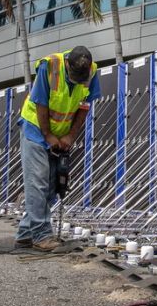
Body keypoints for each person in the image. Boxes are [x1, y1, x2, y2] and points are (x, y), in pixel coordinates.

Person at [15, 46, 100, 251]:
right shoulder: (50, 66)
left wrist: (70, 135)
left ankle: (26, 233)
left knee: (53, 186)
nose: (76, 80)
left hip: (60, 133)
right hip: (36, 128)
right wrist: (48, 135)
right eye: (73, 76)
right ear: (67, 64)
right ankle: (41, 235)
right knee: (38, 182)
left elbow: (84, 106)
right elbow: (41, 102)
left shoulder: (92, 71)